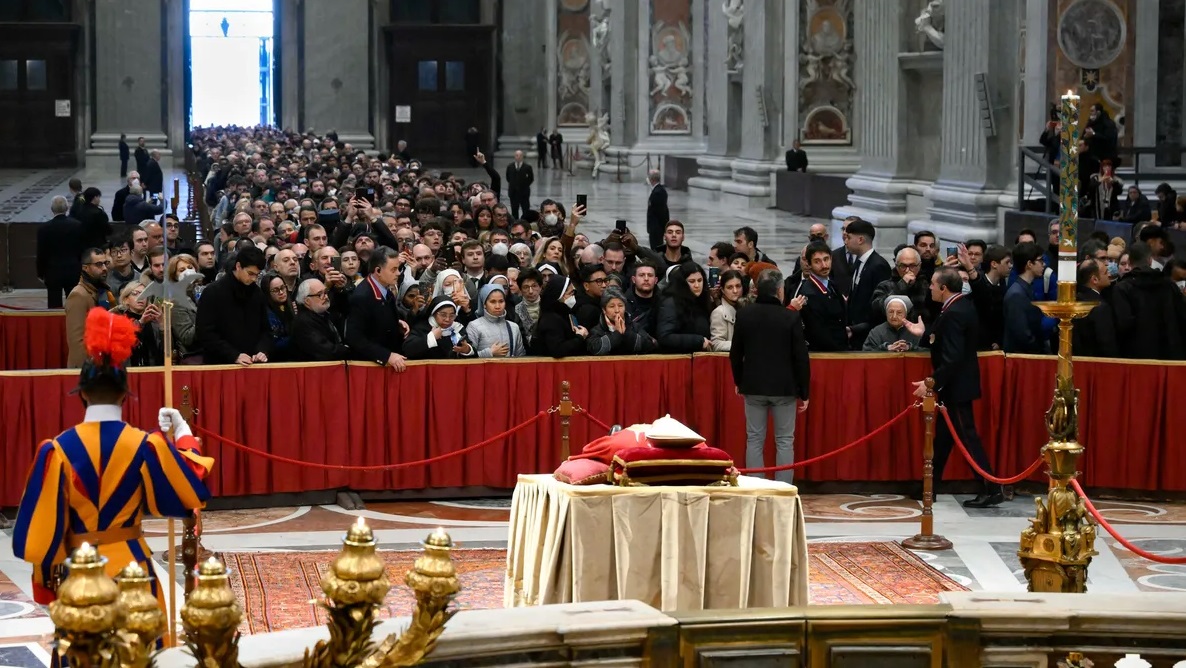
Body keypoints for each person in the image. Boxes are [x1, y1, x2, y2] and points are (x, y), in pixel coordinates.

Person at [12, 307, 212, 618]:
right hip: (134, 573)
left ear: (82, 396)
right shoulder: (147, 445)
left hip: (79, 576)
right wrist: (183, 434)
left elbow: (40, 536)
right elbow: (191, 490)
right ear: (124, 395)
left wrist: (45, 585)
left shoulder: (55, 451)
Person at [906, 266, 1004, 508]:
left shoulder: (955, 312)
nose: (929, 287)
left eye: (932, 284)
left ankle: (990, 488)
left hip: (956, 387)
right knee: (942, 439)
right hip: (954, 386)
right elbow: (942, 339)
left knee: (967, 438)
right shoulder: (956, 307)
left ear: (943, 287)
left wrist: (931, 383)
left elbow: (952, 356)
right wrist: (924, 333)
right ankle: (930, 485)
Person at [730, 268, 810, 484]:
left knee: (754, 439)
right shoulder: (790, 316)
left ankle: (756, 486)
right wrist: (804, 391)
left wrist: (738, 380)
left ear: (756, 290)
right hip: (784, 388)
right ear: (780, 291)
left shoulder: (744, 314)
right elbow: (801, 357)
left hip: (753, 386)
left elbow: (736, 353)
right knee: (784, 440)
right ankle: (783, 489)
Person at [36, 196, 83, 309]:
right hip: (73, 269)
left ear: (52, 209)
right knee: (74, 303)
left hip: (53, 270)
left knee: (54, 303)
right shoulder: (77, 226)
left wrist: (40, 272)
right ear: (67, 208)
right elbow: (81, 249)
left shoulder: (44, 228)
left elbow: (41, 253)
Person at [505, 150, 534, 220]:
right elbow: (508, 177)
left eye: (520, 155)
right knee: (514, 210)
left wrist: (525, 185)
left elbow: (531, 178)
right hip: (513, 193)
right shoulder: (510, 167)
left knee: (525, 209)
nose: (518, 157)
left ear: (522, 157)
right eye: (517, 155)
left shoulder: (527, 167)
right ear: (514, 156)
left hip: (524, 193)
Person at [645, 169, 669, 250]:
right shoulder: (658, 190)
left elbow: (660, 212)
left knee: (656, 248)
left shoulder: (658, 192)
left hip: (656, 227)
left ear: (652, 179)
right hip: (655, 227)